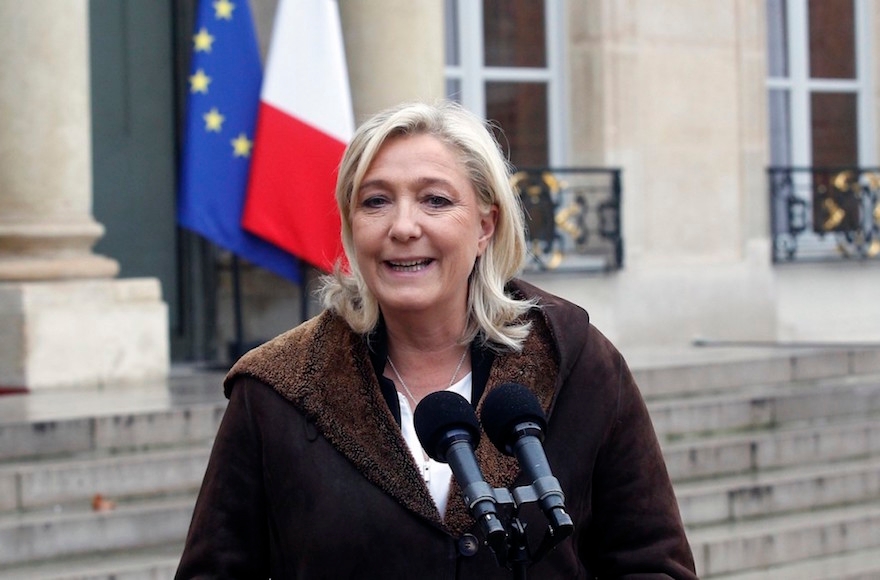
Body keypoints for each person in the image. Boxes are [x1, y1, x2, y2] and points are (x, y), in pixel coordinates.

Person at [175, 101, 697, 579]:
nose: (403, 226)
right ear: (351, 227)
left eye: (435, 200)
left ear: (485, 226)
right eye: (376, 201)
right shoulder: (276, 390)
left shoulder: (578, 360)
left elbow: (652, 563)